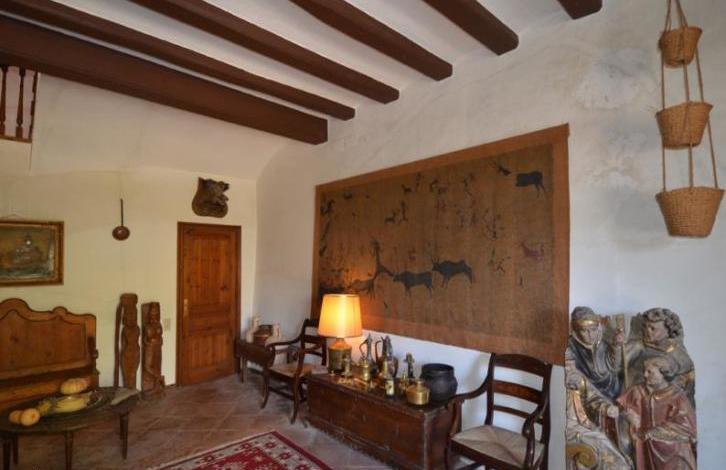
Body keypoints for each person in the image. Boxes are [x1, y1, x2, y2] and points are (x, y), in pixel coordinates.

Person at [617, 357, 696, 470]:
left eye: (650, 372)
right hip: (646, 450)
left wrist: (652, 433)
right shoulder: (638, 390)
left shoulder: (677, 396)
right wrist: (628, 415)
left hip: (674, 452)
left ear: (663, 373)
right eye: (644, 371)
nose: (645, 375)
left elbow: (686, 428)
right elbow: (618, 409)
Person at [625, 308, 694, 404]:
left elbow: (685, 363)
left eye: (653, 328)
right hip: (636, 397)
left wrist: (667, 364)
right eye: (645, 327)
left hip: (664, 400)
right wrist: (618, 348)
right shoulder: (638, 345)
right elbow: (619, 365)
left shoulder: (674, 350)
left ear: (668, 330)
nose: (647, 331)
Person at [567, 306, 623, 400]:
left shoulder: (601, 344)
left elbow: (614, 367)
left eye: (593, 329)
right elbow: (572, 375)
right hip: (589, 394)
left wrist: (616, 347)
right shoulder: (571, 347)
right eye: (584, 330)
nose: (590, 335)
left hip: (612, 389)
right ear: (576, 330)